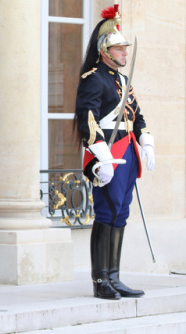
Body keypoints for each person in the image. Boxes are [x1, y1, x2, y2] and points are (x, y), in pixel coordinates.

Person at [74, 5, 155, 300]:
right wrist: (101, 157)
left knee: (121, 212)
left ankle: (115, 276)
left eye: (124, 48)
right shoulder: (93, 78)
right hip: (108, 151)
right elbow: (88, 120)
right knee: (106, 213)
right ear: (105, 51)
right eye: (119, 49)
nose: (124, 53)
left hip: (128, 151)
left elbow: (137, 116)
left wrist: (146, 141)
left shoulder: (123, 81)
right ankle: (100, 280)